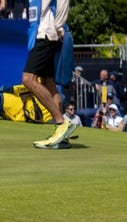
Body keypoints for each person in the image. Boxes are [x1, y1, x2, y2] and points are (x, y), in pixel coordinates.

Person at [21, 0, 76, 150]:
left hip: (46, 34)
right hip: (42, 33)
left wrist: (59, 26)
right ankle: (62, 135)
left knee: (28, 79)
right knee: (47, 81)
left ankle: (61, 123)